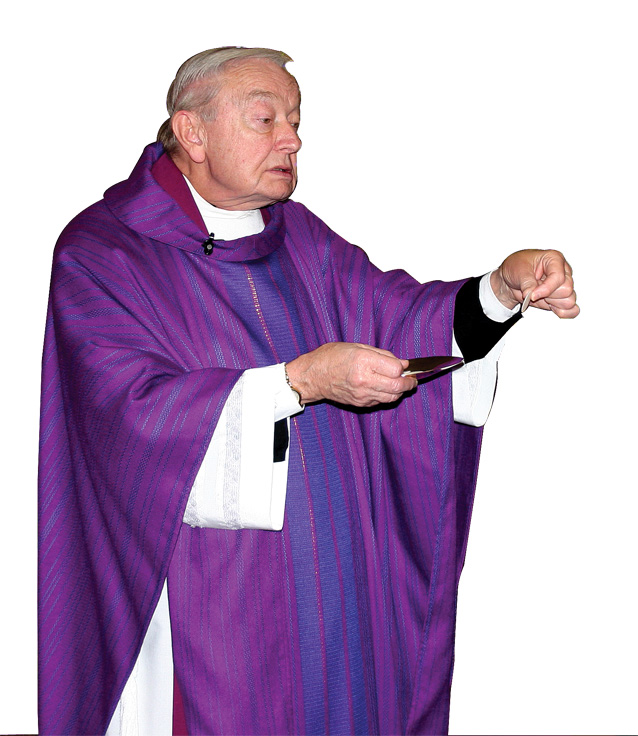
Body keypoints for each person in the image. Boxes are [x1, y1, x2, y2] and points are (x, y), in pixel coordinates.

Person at [38, 47, 578, 736]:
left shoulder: (299, 238)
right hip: (211, 600)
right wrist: (300, 381)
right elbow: (126, 419)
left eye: (295, 120)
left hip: (334, 587)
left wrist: (501, 289)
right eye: (266, 119)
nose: (291, 139)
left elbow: (402, 319)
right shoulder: (104, 253)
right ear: (193, 132)